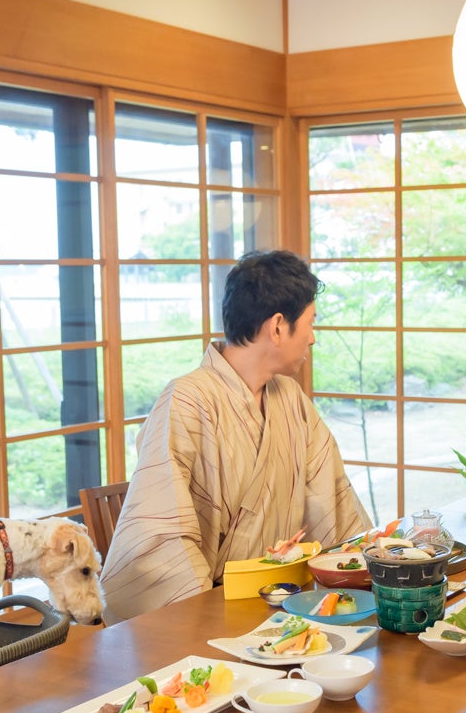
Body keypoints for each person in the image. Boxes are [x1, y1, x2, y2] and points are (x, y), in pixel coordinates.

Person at [99, 250, 371, 622]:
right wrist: (203, 615)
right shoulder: (186, 400)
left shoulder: (290, 398)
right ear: (278, 327)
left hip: (284, 602)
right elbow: (161, 539)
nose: (312, 339)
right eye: (310, 323)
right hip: (207, 610)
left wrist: (364, 564)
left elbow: (333, 505)